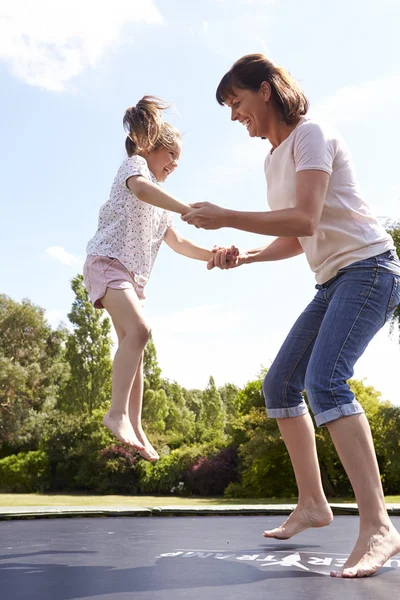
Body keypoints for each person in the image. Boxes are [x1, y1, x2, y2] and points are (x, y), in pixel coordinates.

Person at [182, 54, 400, 578]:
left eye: (236, 102)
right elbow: (298, 235)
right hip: (331, 280)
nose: (235, 116)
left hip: (369, 268)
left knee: (325, 382)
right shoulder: (271, 160)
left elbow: (304, 214)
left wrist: (226, 213)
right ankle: (312, 503)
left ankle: (378, 526)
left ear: (265, 90)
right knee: (281, 384)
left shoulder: (312, 133)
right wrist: (247, 254)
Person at [84, 96, 237, 461]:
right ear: (149, 145)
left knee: (133, 348)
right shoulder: (134, 167)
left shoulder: (160, 202)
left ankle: (134, 425)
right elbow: (141, 189)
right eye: (172, 154)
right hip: (107, 262)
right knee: (139, 331)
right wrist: (187, 208)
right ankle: (116, 413)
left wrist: (212, 256)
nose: (176, 163)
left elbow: (179, 242)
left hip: (131, 278)